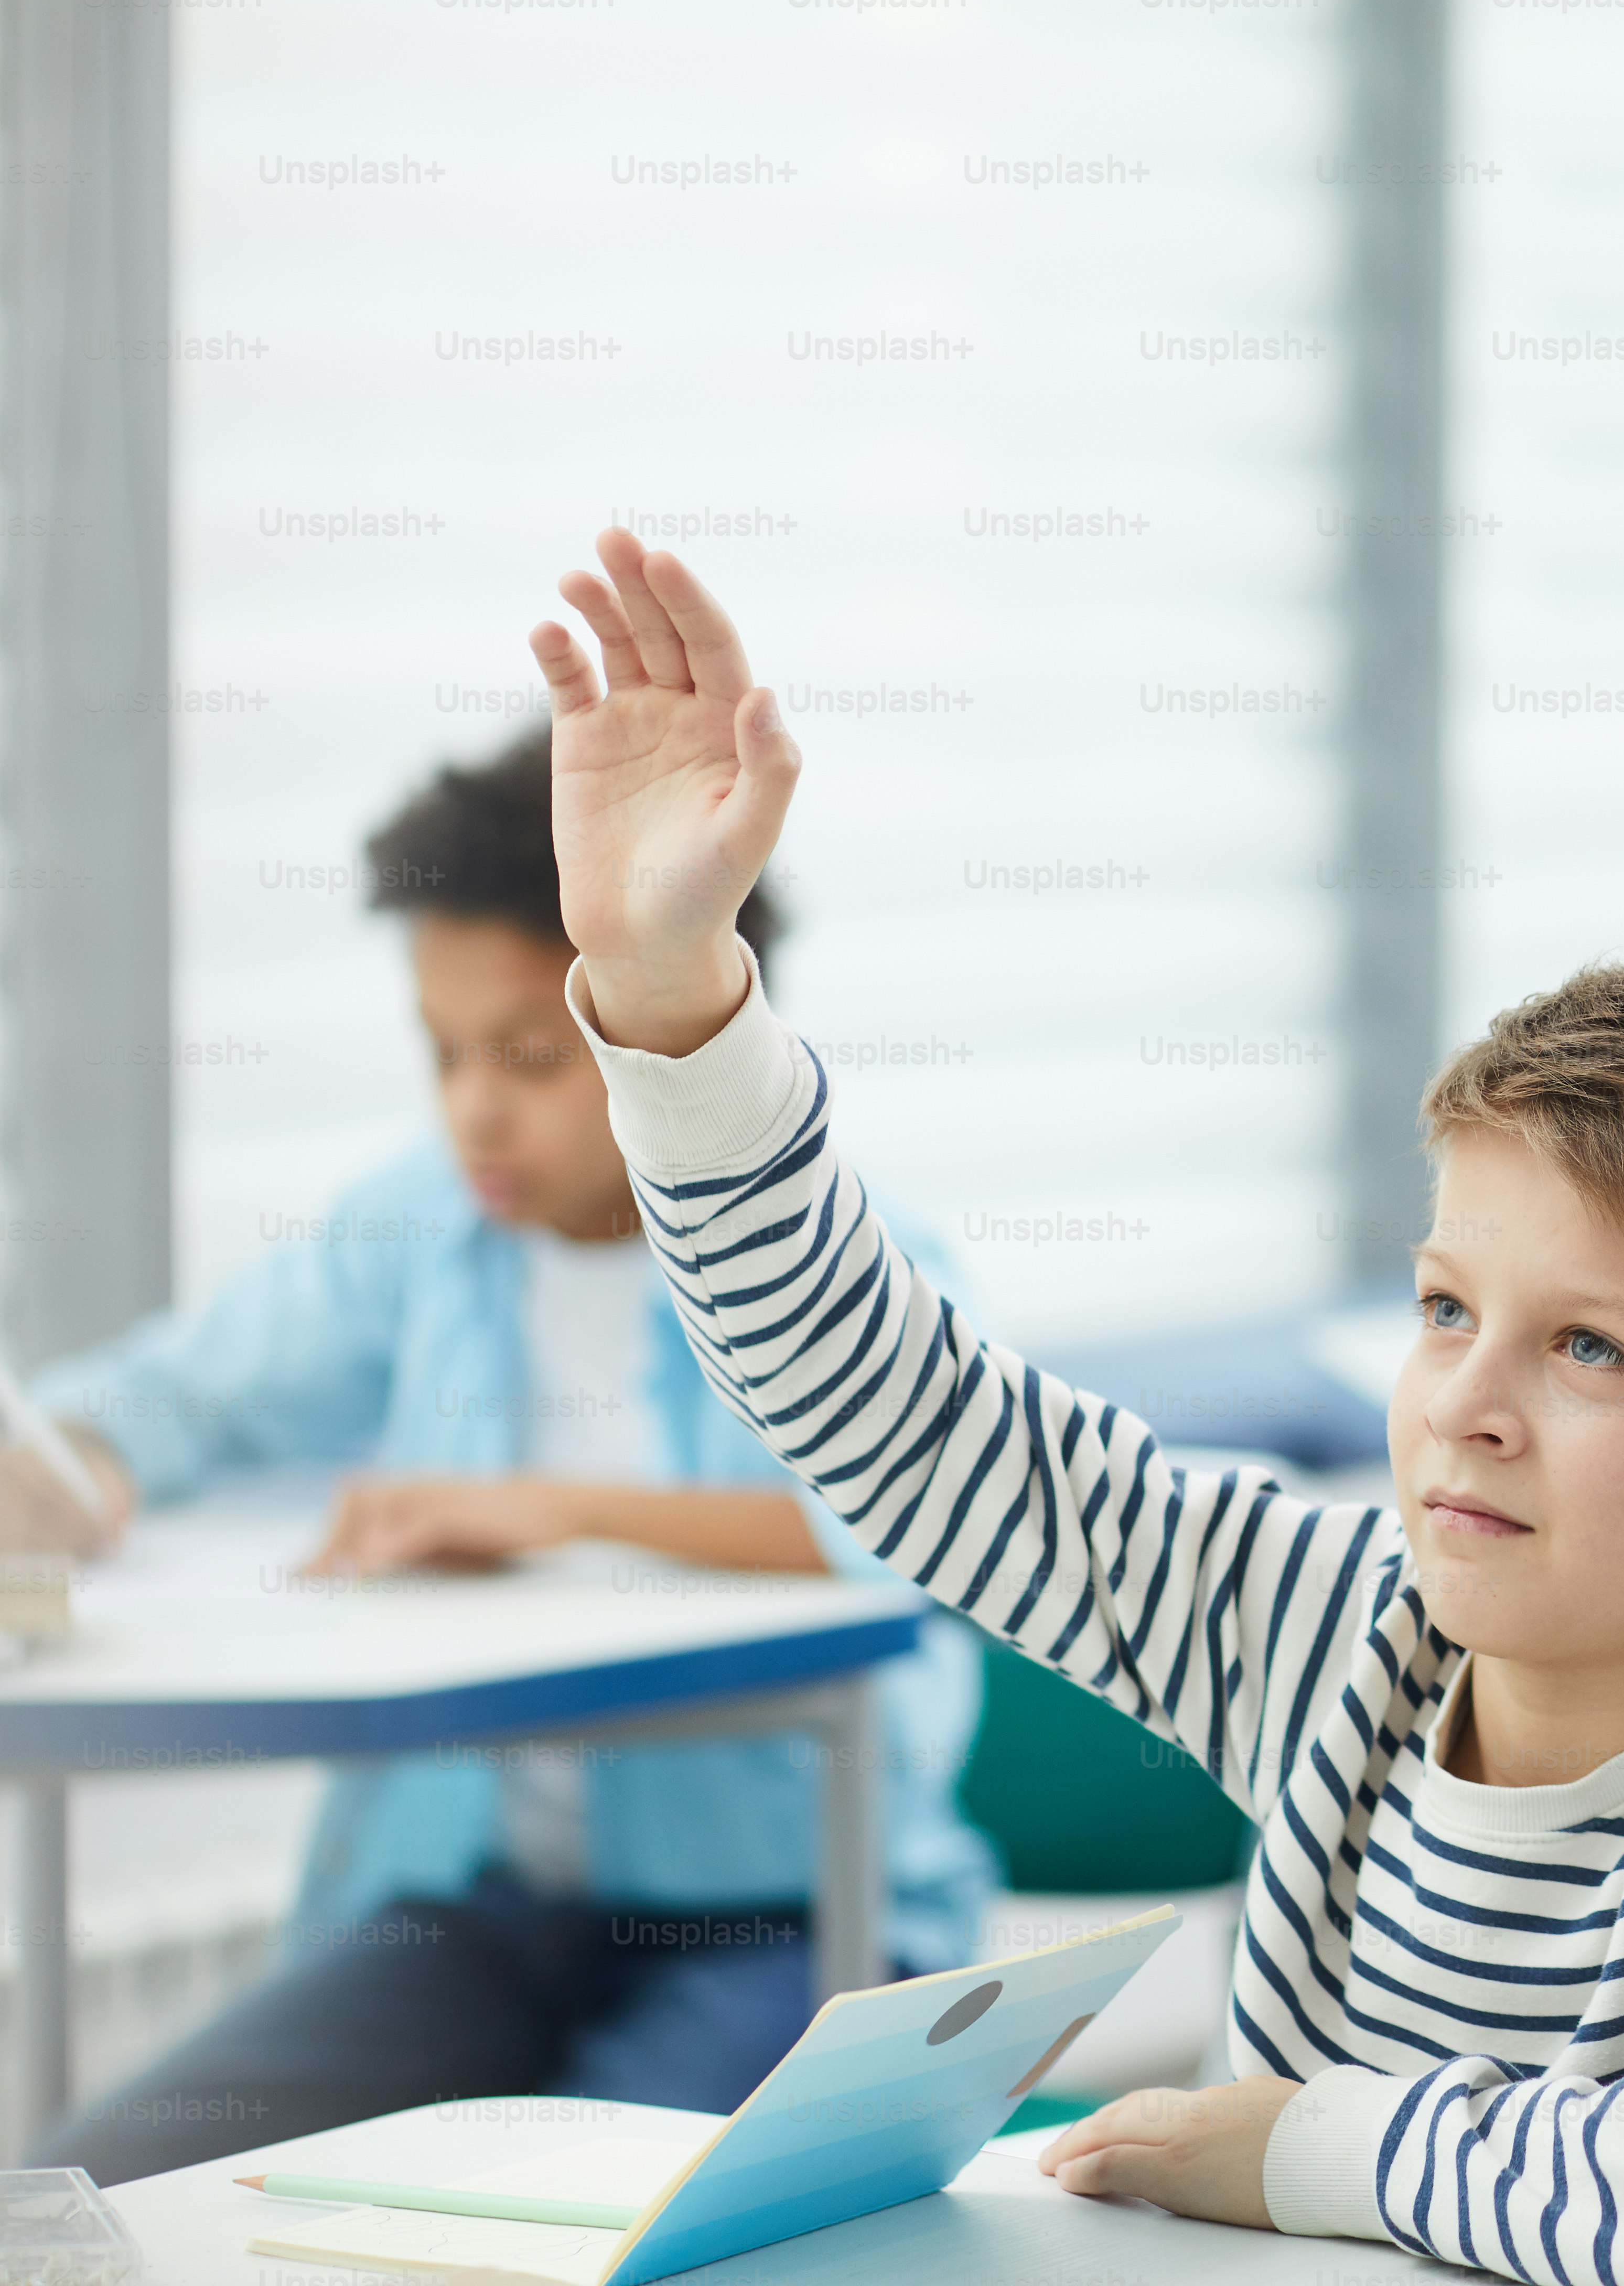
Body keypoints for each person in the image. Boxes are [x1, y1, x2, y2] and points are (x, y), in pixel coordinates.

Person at [532, 530, 1624, 2277]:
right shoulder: (1339, 1631)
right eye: (1449, 1308)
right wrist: (666, 998)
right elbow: (894, 1415)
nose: (1467, 1402)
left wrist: (1313, 2145)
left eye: (1591, 1350)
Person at [6, 729, 995, 2182]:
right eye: (442, 1049)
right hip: (472, 1915)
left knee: (569, 2222)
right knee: (102, 2190)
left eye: (532, 1055)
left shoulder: (841, 1251)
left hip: (784, 1916)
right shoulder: (425, 1229)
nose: (476, 1104)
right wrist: (71, 1468)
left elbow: (912, 1523)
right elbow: (186, 1396)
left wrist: (540, 1508)